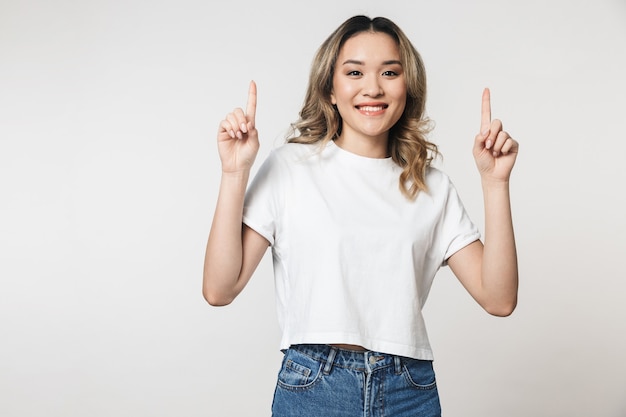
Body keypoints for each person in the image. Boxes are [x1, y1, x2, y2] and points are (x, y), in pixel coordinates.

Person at [203, 15, 518, 417]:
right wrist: (234, 173)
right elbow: (219, 288)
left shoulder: (430, 186)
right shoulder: (289, 167)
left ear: (407, 87)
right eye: (355, 72)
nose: (373, 87)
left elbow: (499, 298)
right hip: (316, 386)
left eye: (390, 71)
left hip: (410, 390)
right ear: (330, 89)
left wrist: (495, 184)